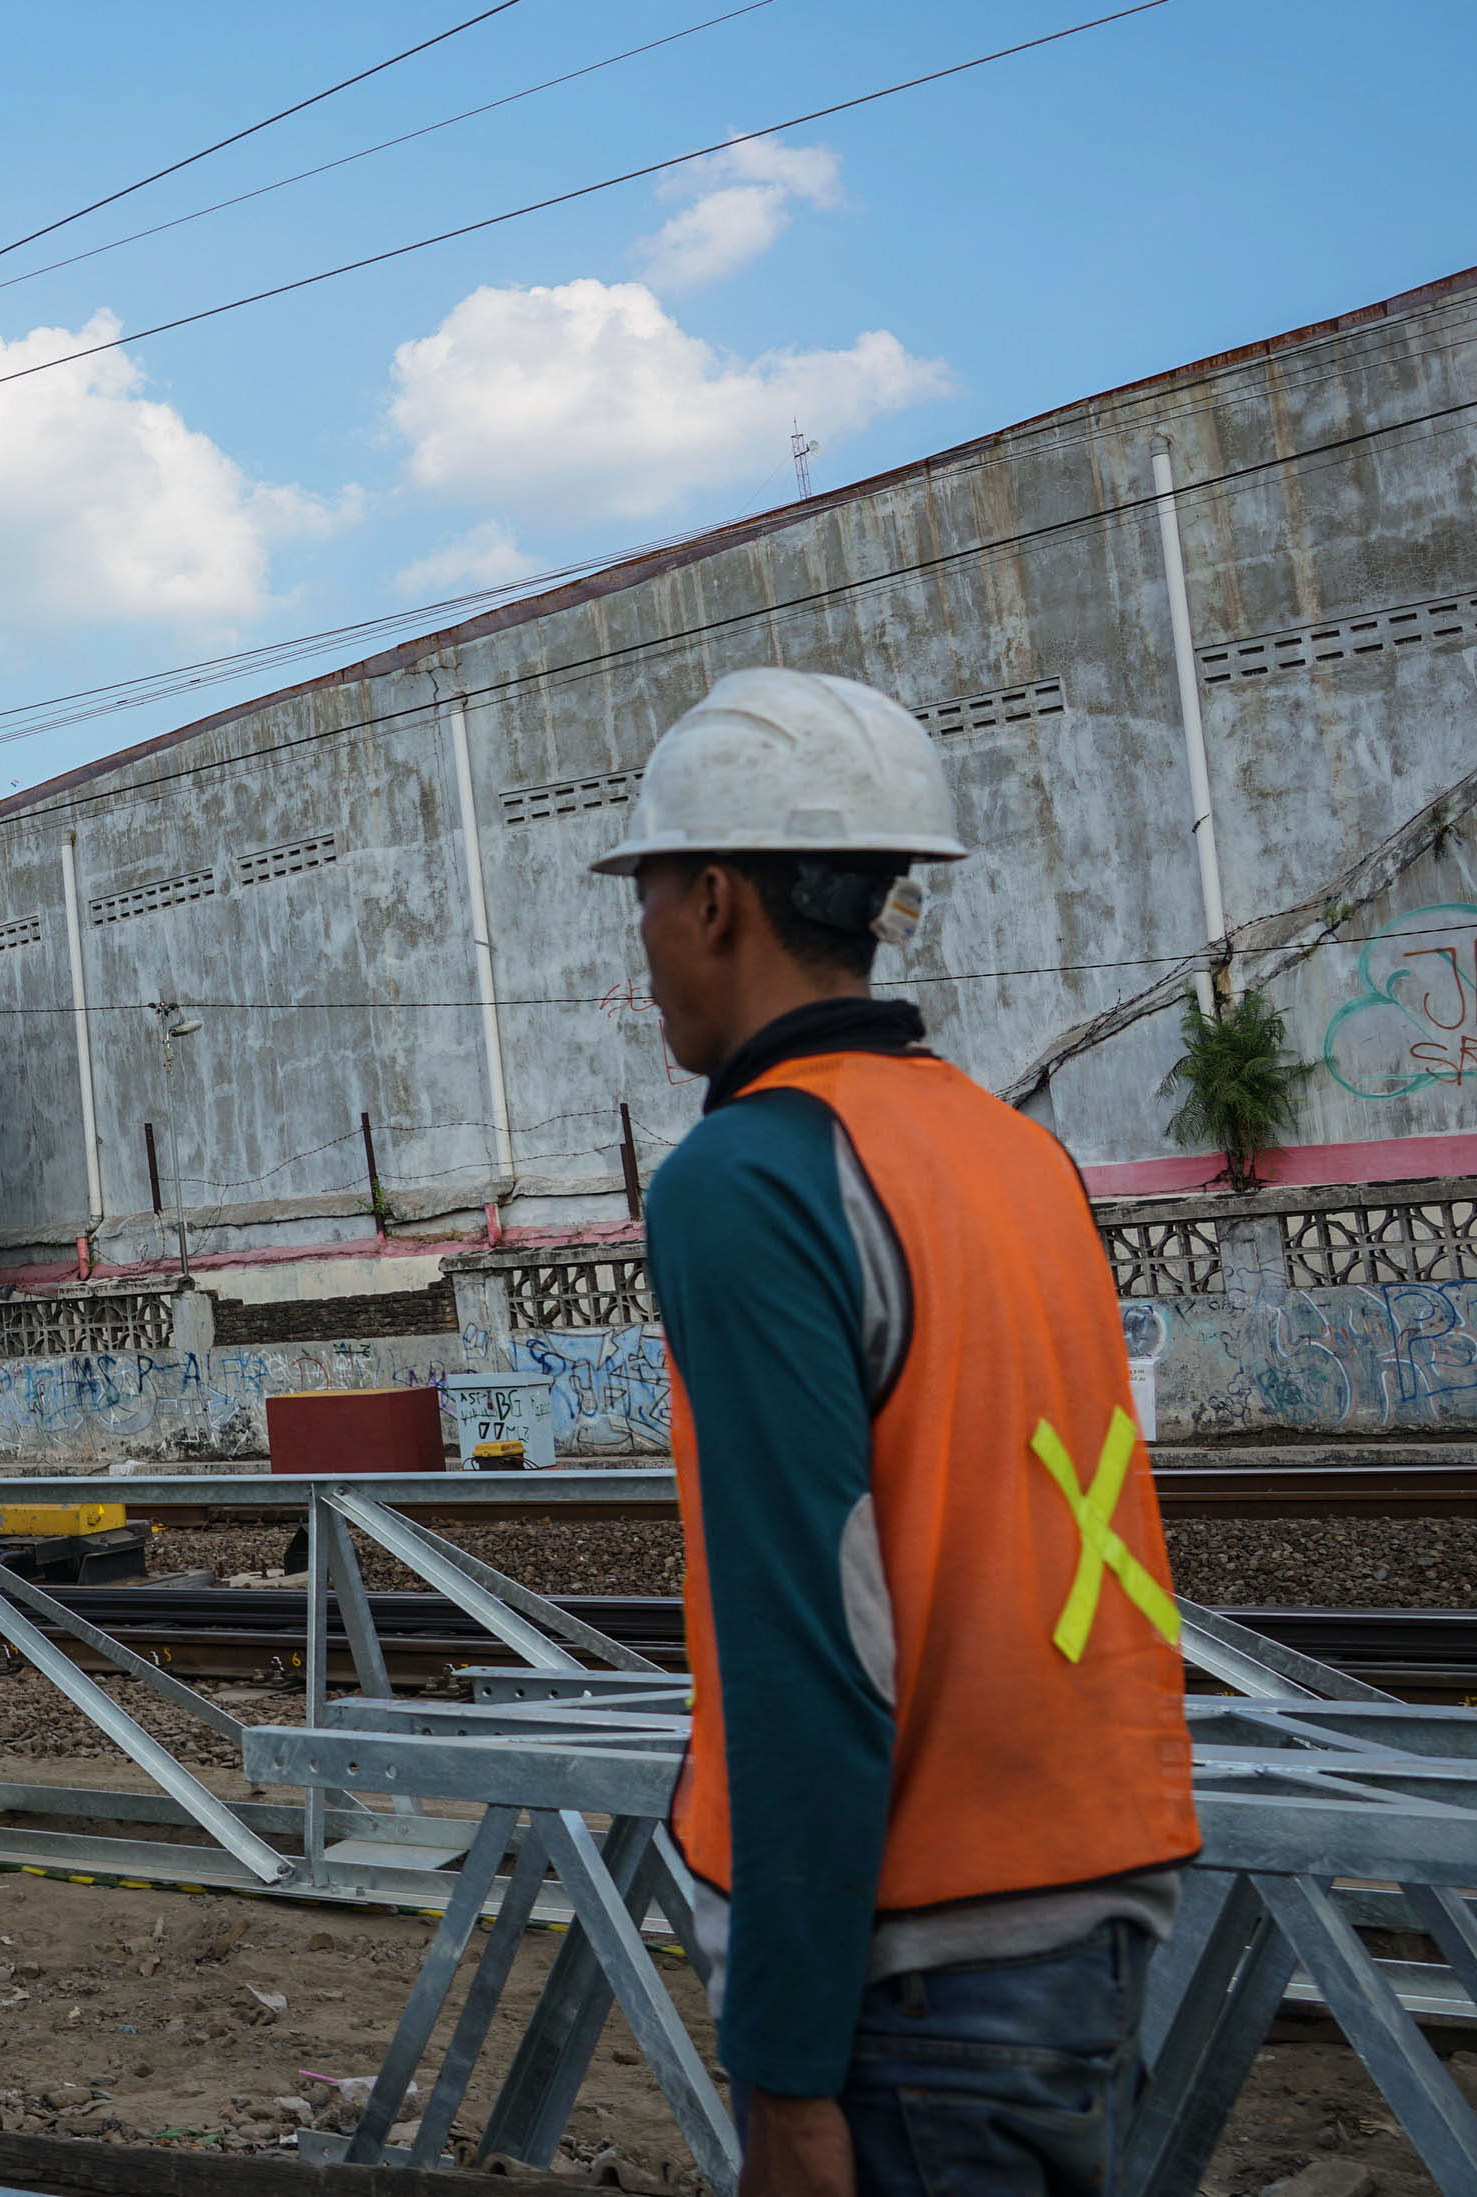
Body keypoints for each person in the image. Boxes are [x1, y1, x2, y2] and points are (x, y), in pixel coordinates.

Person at [595, 669, 1199, 2197]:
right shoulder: (1015, 1155)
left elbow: (814, 1643)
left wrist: (789, 2071)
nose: (644, 938)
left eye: (650, 893)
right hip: (1089, 1919)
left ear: (718, 898)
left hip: (912, 1985)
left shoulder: (747, 1178)